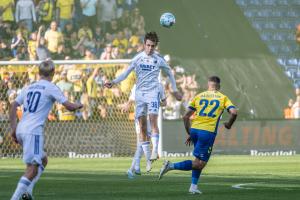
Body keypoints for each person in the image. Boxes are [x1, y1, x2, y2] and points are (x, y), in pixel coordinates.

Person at [9, 59, 83, 200]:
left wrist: (13, 128)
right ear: (53, 73)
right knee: (32, 169)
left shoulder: (28, 87)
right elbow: (70, 107)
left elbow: (13, 105)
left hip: (21, 128)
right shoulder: (51, 87)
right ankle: (15, 198)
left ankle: (28, 192)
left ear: (38, 72)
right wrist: (79, 105)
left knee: (42, 159)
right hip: (33, 131)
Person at [104, 31, 182, 161]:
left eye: (153, 46)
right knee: (142, 127)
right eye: (148, 45)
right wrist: (113, 82)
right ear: (144, 44)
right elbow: (125, 74)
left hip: (152, 94)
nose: (150, 48)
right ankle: (146, 159)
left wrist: (174, 90)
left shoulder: (159, 59)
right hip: (140, 94)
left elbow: (170, 74)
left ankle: (155, 151)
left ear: (156, 46)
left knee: (153, 120)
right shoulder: (137, 58)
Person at [158, 76, 238, 194]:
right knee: (199, 164)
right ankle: (170, 166)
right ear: (219, 87)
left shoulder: (199, 96)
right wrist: (229, 124)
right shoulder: (223, 98)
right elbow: (234, 112)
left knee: (198, 160)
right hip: (207, 132)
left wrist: (190, 132)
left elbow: (185, 117)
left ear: (208, 86)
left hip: (195, 129)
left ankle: (193, 187)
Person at [121, 83, 166, 179]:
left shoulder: (159, 86)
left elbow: (164, 103)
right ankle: (135, 167)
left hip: (151, 117)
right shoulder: (137, 85)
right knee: (141, 143)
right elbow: (131, 99)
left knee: (141, 144)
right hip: (141, 116)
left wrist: (156, 102)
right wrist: (127, 105)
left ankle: (134, 168)